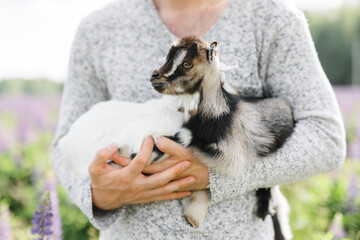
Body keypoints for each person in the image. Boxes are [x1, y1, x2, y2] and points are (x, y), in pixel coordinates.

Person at [51, 0, 346, 239]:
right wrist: (96, 194)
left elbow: (326, 137)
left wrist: (218, 173)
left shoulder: (273, 19)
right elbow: (64, 143)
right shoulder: (98, 29)